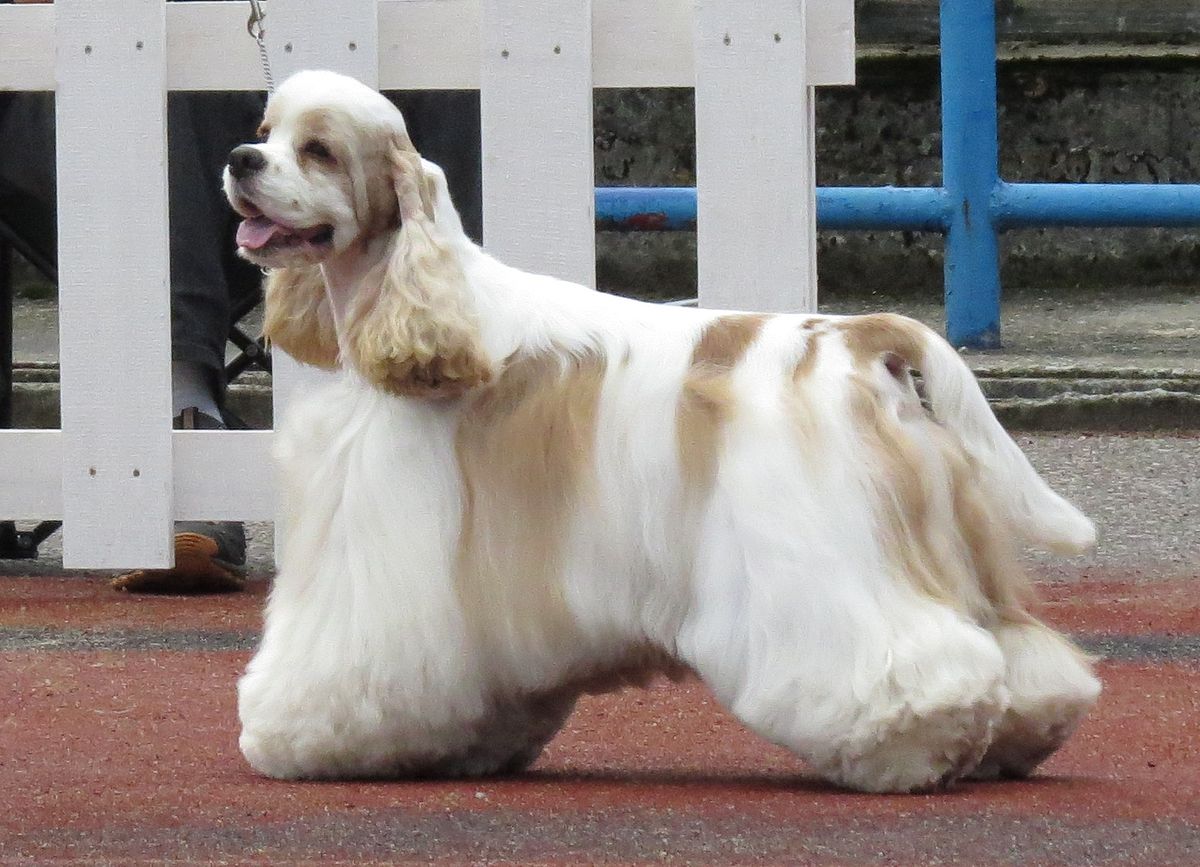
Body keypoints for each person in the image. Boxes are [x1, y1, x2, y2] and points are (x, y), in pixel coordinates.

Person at [1, 2, 483, 592]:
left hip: (346, 71)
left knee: (461, 60)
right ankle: (183, 417)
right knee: (140, 61)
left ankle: (466, 396)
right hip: (100, 88)